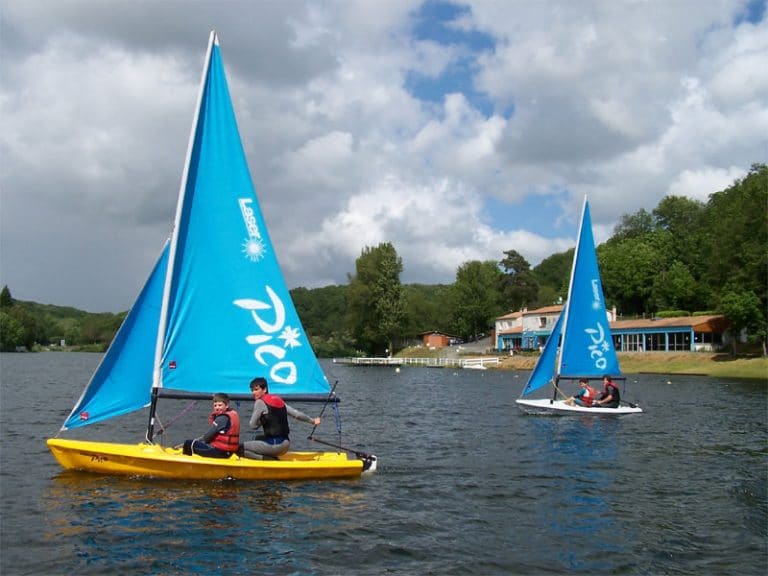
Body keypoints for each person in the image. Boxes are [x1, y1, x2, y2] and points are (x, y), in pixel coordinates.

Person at [238, 377, 321, 460]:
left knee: (239, 448)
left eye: (256, 389)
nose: (253, 392)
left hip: (275, 446)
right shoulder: (278, 399)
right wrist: (313, 421)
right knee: (258, 438)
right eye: (252, 390)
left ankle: (268, 459)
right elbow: (297, 414)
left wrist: (261, 420)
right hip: (286, 444)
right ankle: (269, 457)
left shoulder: (259, 402)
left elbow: (253, 426)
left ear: (264, 389)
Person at [182, 393, 240, 458]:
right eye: (215, 406)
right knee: (200, 444)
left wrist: (202, 440)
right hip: (229, 452)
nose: (217, 408)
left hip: (220, 452)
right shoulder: (233, 414)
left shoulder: (221, 418)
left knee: (188, 443)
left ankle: (186, 465)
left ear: (227, 405)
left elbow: (207, 438)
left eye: (220, 405)